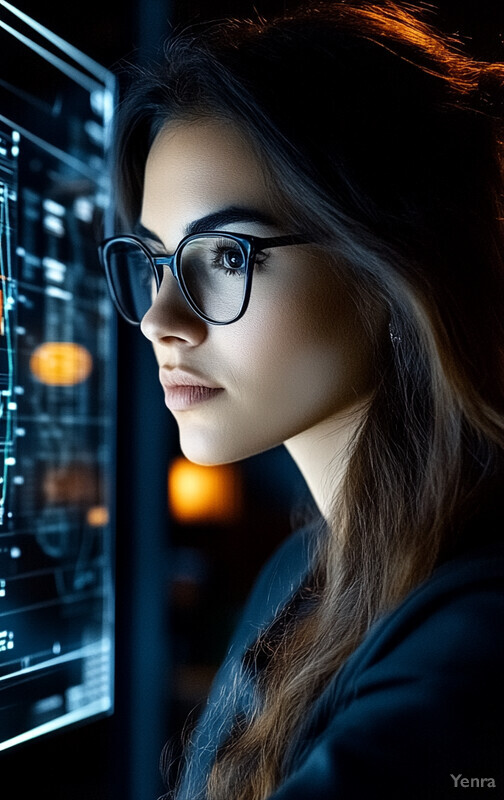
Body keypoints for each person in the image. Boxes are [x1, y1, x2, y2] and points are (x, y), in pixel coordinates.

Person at [99, 2, 504, 798]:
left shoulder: (474, 638)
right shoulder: (307, 574)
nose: (159, 319)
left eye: (226, 254)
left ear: (388, 271)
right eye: (153, 261)